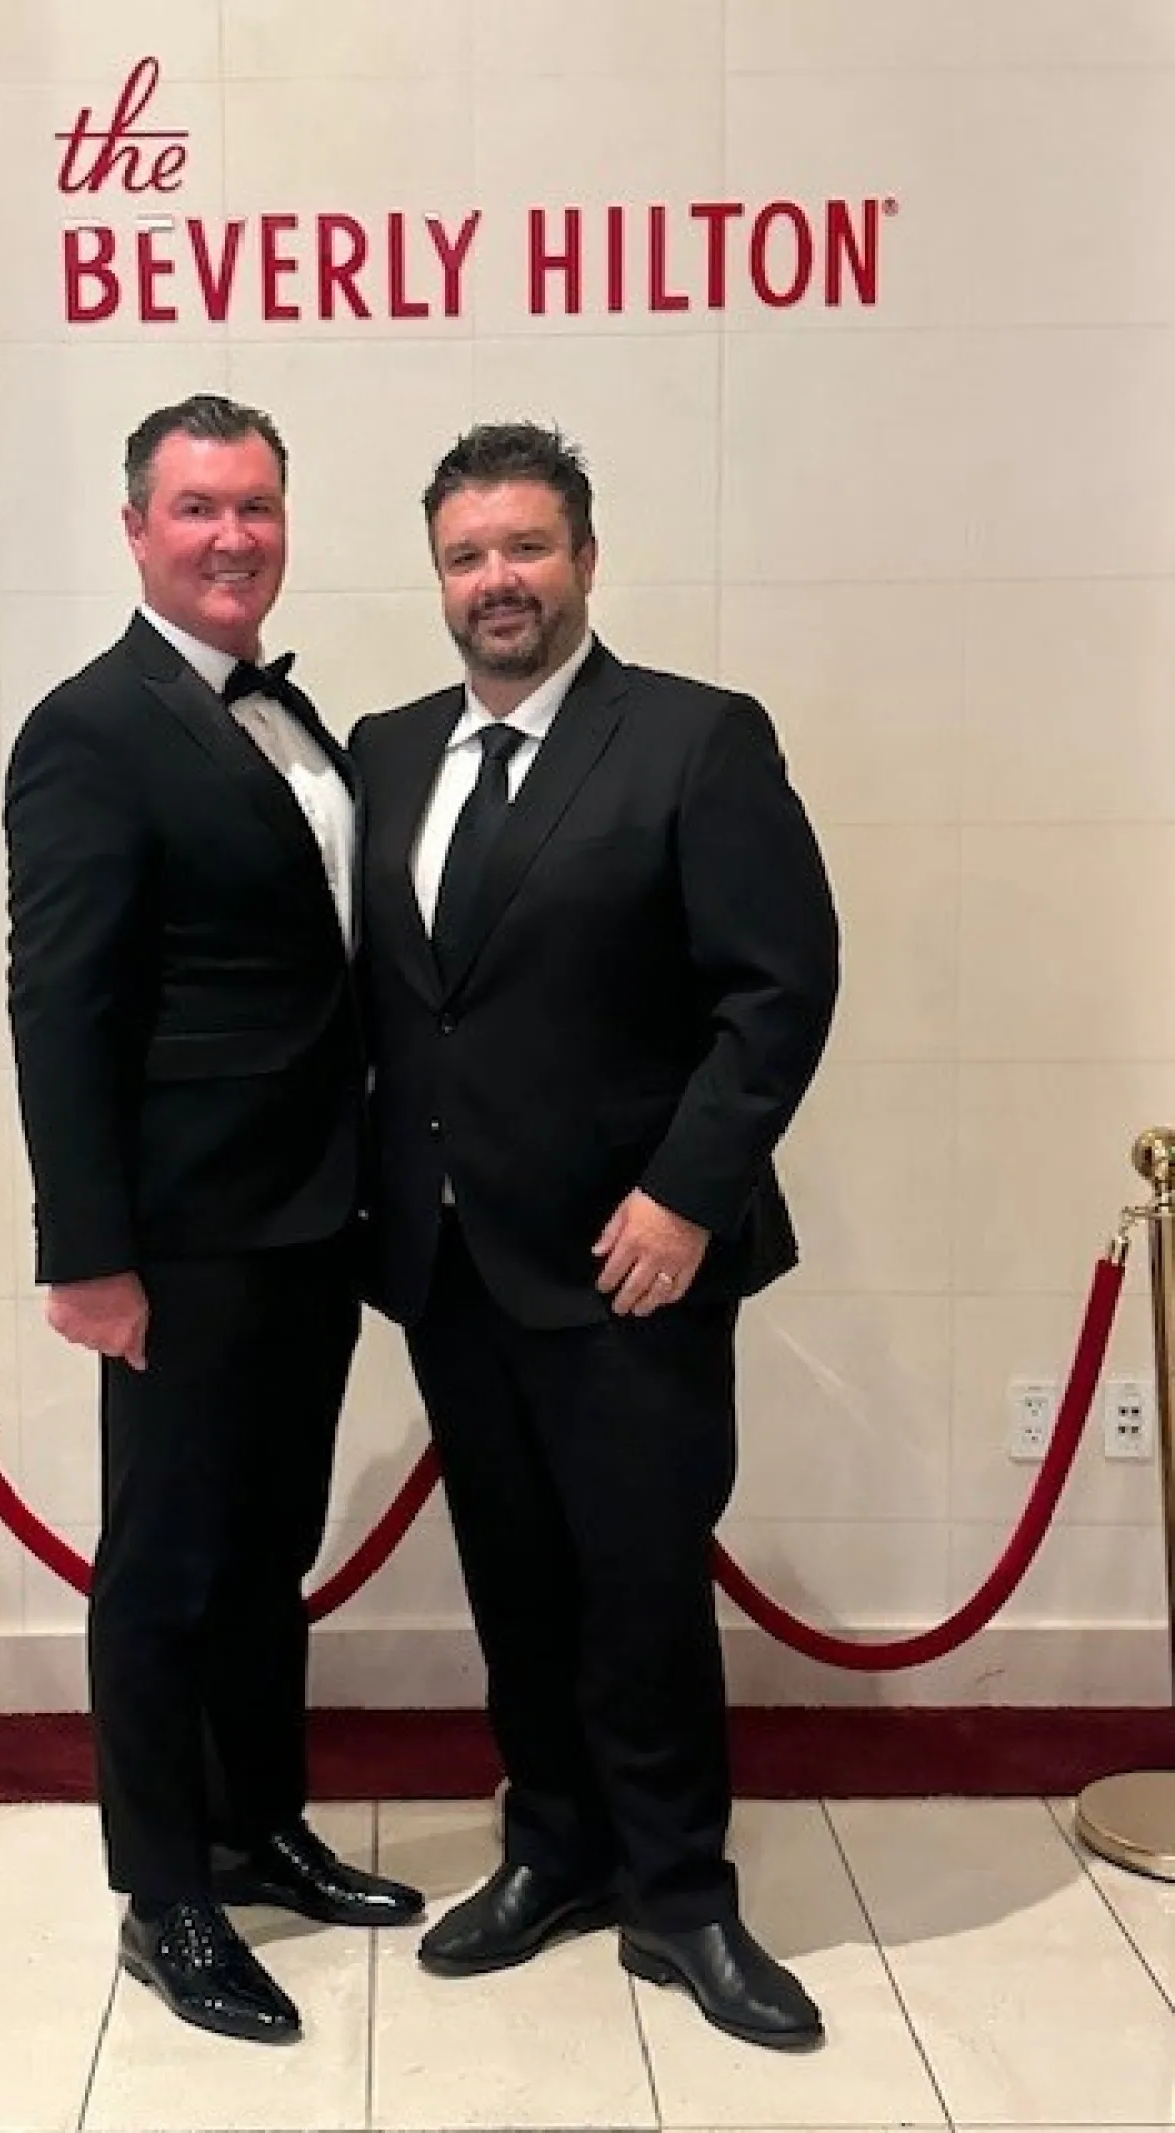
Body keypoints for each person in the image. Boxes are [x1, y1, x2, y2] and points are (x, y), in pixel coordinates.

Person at [350, 422, 840, 2051]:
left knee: (640, 1585)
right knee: (516, 1582)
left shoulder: (697, 741)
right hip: (451, 1268)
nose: (498, 580)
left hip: (636, 1264)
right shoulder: (390, 749)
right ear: (438, 579)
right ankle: (551, 1848)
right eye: (467, 556)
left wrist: (691, 1193)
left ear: (586, 559)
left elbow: (777, 993)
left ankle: (682, 1895)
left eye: (526, 547)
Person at [4, 392, 422, 2047]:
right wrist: (85, 1253)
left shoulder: (291, 719)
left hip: (315, 1216)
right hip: (177, 1238)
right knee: (166, 1567)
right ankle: (163, 1891)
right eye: (197, 509)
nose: (232, 535)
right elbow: (61, 1007)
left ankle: (257, 1827)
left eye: (256, 505)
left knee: (269, 1551)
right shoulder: (91, 728)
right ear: (134, 532)